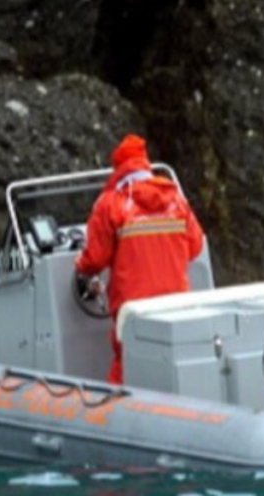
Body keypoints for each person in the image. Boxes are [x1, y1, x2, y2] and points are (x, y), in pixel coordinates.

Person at [74, 133, 204, 384]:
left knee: (126, 367)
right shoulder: (176, 200)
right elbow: (195, 247)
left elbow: (94, 259)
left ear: (118, 169)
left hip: (133, 310)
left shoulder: (111, 204)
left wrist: (79, 264)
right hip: (176, 307)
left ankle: (111, 420)